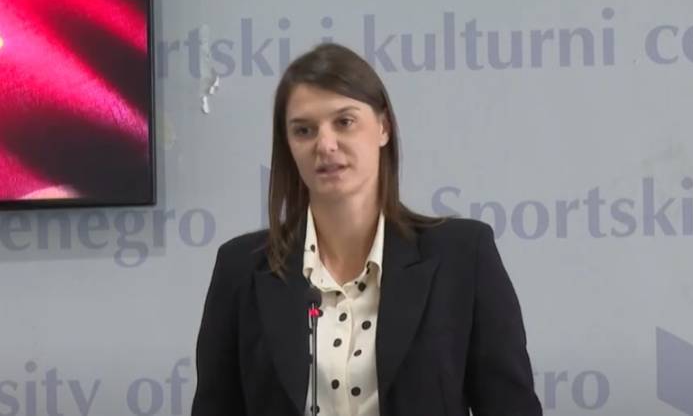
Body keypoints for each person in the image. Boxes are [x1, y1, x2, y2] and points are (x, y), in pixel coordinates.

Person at [191, 43, 542, 416]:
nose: (325, 145)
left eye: (344, 122)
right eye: (304, 130)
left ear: (383, 128)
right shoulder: (240, 268)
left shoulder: (463, 256)